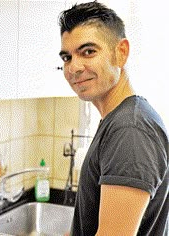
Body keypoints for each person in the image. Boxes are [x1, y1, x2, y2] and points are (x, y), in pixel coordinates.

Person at [58, 1, 169, 236]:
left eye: (88, 51)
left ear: (121, 52)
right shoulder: (118, 120)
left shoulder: (131, 129)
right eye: (67, 57)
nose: (73, 68)